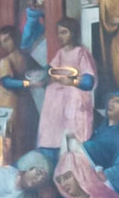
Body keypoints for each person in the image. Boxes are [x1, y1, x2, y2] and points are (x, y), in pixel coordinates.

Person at [36, 19, 97, 155]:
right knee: (52, 93)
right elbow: (50, 69)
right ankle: (52, 145)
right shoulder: (61, 52)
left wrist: (71, 82)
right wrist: (44, 75)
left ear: (73, 33)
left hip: (75, 91)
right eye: (59, 33)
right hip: (59, 93)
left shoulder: (81, 52)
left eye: (64, 32)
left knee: (72, 98)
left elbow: (89, 81)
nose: (60, 36)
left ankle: (72, 148)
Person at [0, 25, 40, 160]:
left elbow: (38, 71)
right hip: (6, 100)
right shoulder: (6, 61)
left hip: (23, 100)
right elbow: (7, 83)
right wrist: (28, 83)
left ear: (16, 38)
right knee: (11, 134)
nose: (5, 45)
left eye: (7, 40)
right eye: (2, 42)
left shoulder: (25, 57)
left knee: (27, 132)